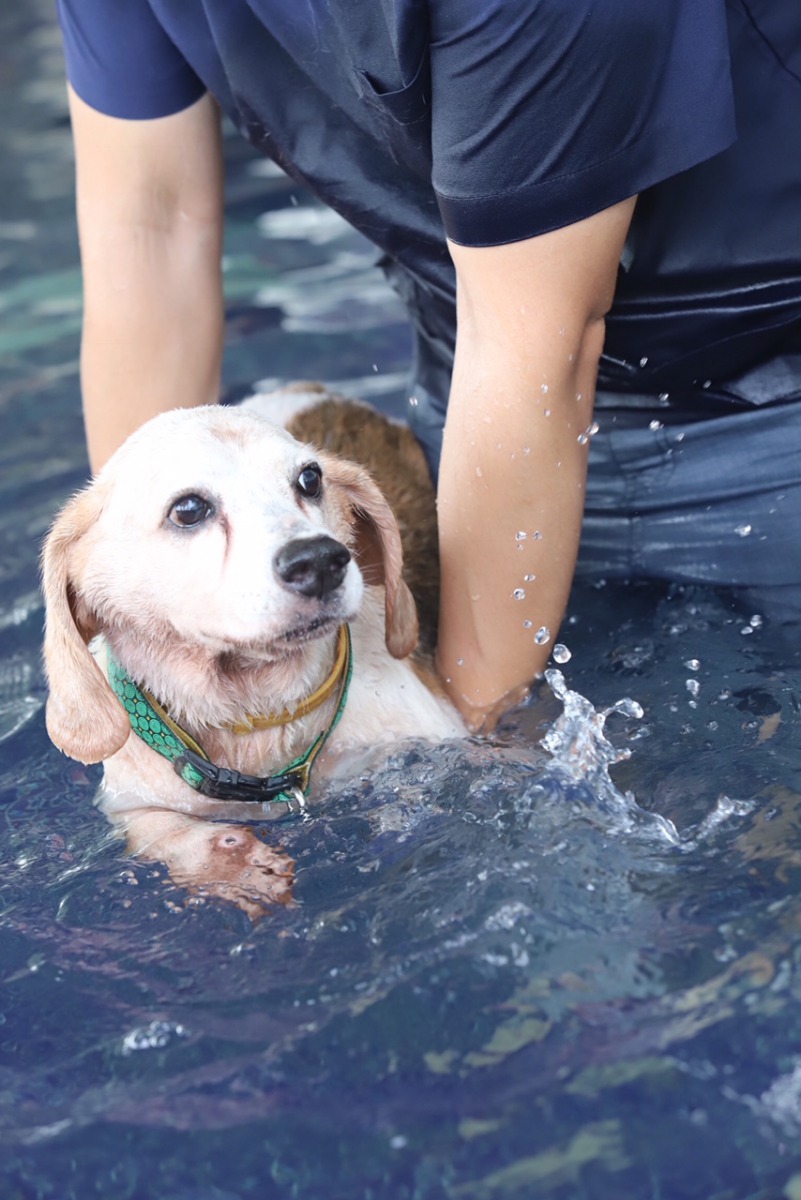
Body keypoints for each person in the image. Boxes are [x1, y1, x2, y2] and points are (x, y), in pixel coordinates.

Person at [56, 0, 799, 731]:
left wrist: (472, 730)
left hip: (762, 411)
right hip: (469, 401)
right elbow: (151, 227)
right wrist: (131, 659)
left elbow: (534, 344)